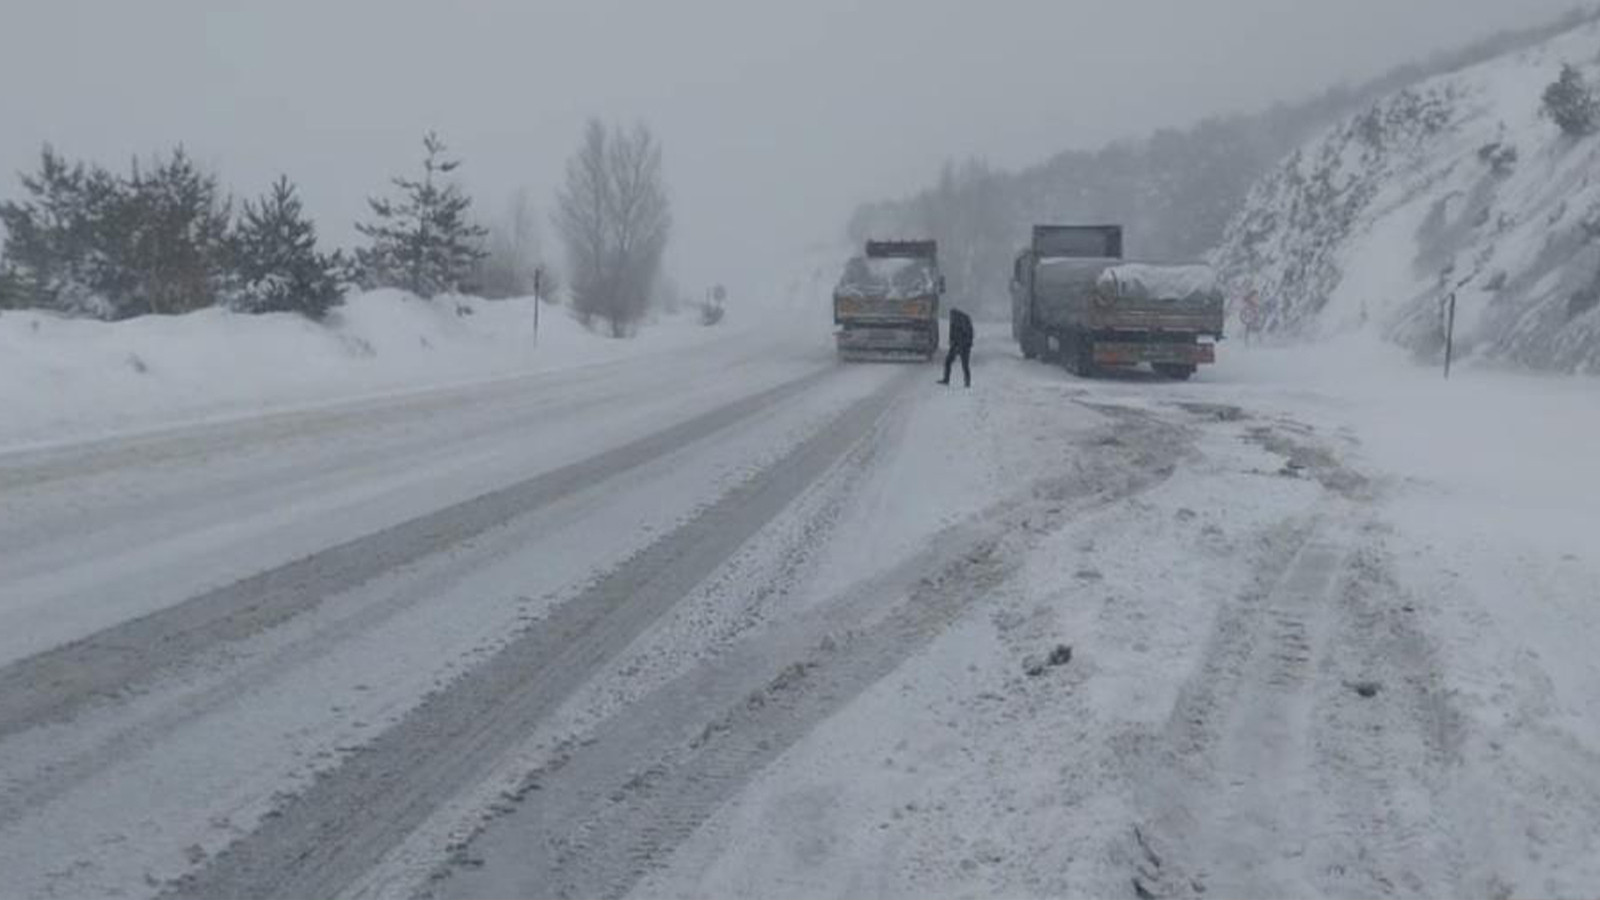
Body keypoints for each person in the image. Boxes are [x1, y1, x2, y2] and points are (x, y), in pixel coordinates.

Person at [938, 307, 973, 387]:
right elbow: (952, 333)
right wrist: (952, 342)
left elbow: (966, 334)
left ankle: (967, 382)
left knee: (964, 364)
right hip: (957, 345)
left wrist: (959, 345)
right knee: (949, 362)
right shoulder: (956, 321)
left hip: (963, 346)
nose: (950, 318)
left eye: (951, 315)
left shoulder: (962, 321)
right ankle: (947, 379)